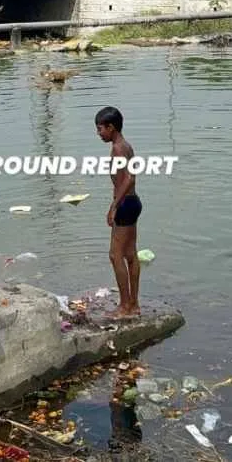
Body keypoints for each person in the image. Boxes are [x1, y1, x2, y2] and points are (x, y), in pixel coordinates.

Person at [95, 106, 142, 320]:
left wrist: (114, 206)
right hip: (133, 202)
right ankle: (134, 304)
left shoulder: (118, 149)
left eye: (100, 129)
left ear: (111, 127)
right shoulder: (126, 145)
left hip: (124, 204)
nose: (99, 134)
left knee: (115, 256)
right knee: (130, 254)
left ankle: (124, 306)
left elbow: (129, 179)